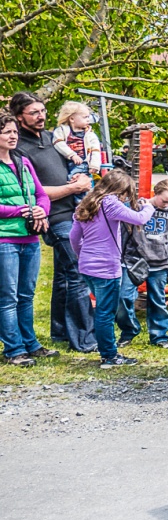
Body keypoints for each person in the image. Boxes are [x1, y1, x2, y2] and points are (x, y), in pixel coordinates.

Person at [10, 91, 97, 353]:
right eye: (34, 112)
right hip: (52, 217)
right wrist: (73, 189)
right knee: (77, 273)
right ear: (19, 117)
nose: (41, 116)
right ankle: (84, 338)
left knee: (62, 276)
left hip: (74, 212)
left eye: (43, 110)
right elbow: (32, 190)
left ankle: (60, 332)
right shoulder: (18, 149)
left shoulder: (52, 138)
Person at [69, 170, 155, 368]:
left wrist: (82, 256)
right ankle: (109, 355)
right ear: (118, 190)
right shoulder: (110, 203)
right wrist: (148, 207)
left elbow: (74, 237)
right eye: (125, 192)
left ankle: (106, 351)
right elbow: (139, 219)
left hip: (87, 266)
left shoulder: (86, 204)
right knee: (105, 313)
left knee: (101, 310)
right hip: (107, 267)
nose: (125, 197)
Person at [0, 113, 56, 367]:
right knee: (8, 297)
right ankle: (13, 349)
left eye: (14, 132)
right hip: (6, 239)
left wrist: (41, 209)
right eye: (6, 132)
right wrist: (19, 210)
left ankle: (30, 343)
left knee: (26, 295)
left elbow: (41, 194)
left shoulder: (22, 162)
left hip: (30, 238)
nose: (12, 136)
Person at [117, 179, 168, 349]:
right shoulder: (139, 207)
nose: (166, 205)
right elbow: (125, 232)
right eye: (164, 201)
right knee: (124, 297)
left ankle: (159, 336)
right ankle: (129, 330)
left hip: (159, 263)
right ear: (156, 193)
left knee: (158, 299)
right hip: (134, 261)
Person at [53, 101, 106, 206]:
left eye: (88, 117)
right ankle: (84, 201)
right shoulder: (62, 131)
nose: (88, 120)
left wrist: (94, 165)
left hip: (82, 163)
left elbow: (96, 150)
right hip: (67, 161)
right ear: (72, 119)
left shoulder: (90, 134)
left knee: (76, 178)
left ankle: (81, 202)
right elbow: (58, 143)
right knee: (72, 180)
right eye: (85, 117)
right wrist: (71, 154)